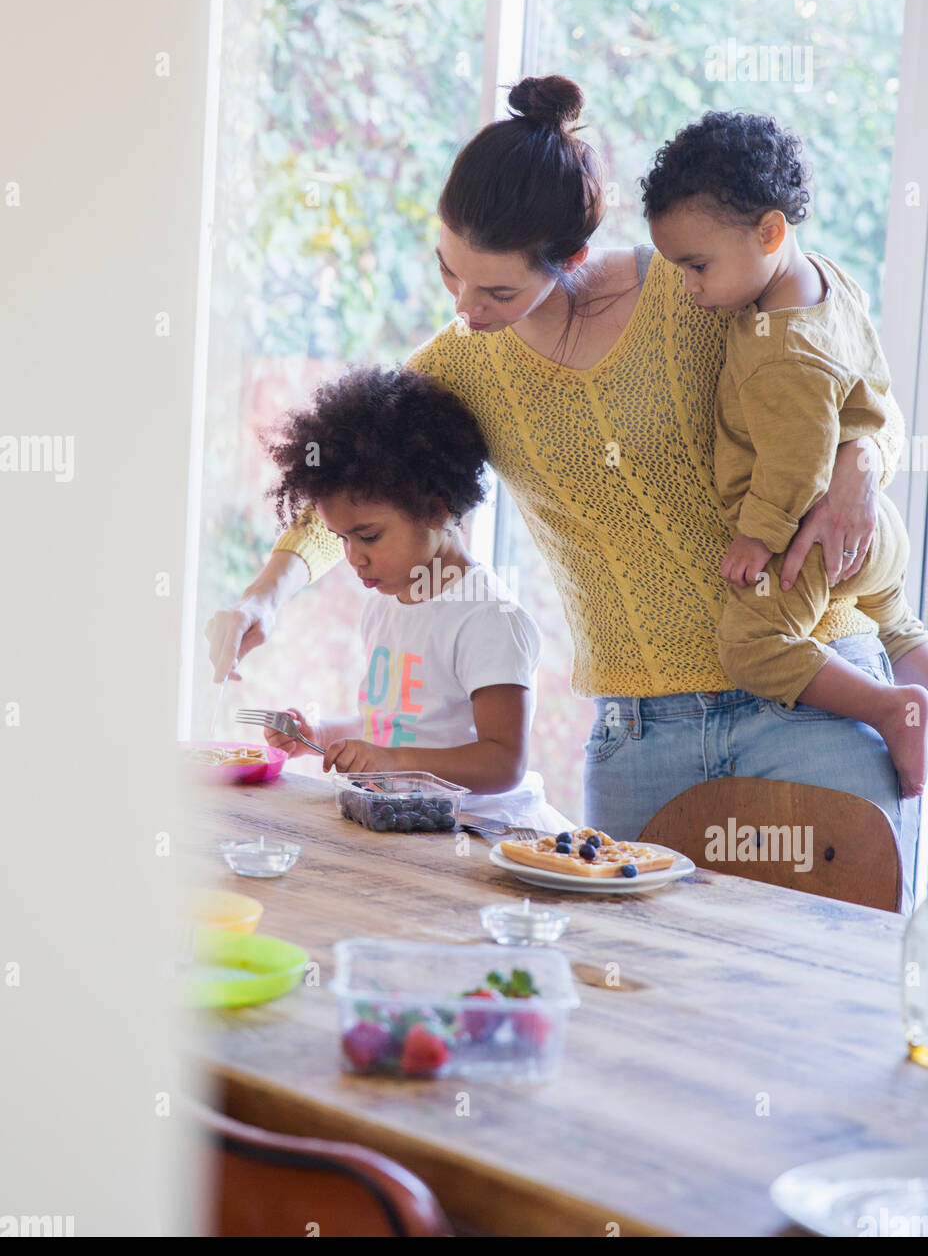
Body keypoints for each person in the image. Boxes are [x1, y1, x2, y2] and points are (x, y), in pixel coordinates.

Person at [205, 74, 923, 909]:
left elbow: (853, 382)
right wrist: (267, 593)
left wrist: (860, 469)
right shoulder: (463, 362)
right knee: (633, 1010)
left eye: (498, 290)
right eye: (450, 276)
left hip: (814, 701)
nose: (467, 310)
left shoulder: (698, 285)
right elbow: (356, 480)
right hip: (640, 740)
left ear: (572, 257)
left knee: (838, 1001)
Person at [641, 110, 928, 799]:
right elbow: (870, 395)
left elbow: (797, 462)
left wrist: (757, 535)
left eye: (697, 267)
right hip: (878, 530)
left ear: (770, 232)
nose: (690, 288)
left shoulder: (779, 352)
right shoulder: (827, 279)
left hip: (809, 542)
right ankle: (915, 674)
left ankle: (891, 709)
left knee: (750, 645)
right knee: (897, 618)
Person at [258, 362, 572, 832]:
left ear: (435, 509)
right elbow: (395, 726)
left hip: (488, 835)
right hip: (415, 828)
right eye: (341, 538)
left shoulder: (487, 618)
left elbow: (503, 763)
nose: (353, 558)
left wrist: (391, 761)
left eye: (368, 536)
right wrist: (322, 736)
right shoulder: (385, 603)